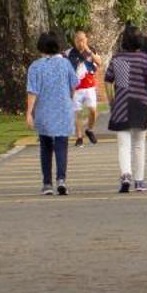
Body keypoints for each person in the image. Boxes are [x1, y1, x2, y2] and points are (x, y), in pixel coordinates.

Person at [104, 25, 147, 192]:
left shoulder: (116, 59)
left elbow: (108, 81)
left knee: (123, 144)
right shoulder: (145, 59)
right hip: (140, 103)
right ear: (140, 41)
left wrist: (112, 100)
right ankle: (139, 181)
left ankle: (126, 174)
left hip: (121, 104)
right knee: (139, 143)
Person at [24, 31, 77, 195]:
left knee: (45, 146)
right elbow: (74, 85)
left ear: (41, 46)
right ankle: (61, 179)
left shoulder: (35, 66)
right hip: (63, 109)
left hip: (44, 110)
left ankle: (47, 183)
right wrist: (68, 99)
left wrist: (29, 112)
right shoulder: (66, 64)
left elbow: (32, 91)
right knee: (62, 145)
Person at [68, 29, 100, 146]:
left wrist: (89, 52)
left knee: (93, 110)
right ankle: (79, 137)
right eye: (78, 41)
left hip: (90, 86)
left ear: (86, 39)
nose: (80, 43)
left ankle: (89, 130)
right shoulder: (70, 53)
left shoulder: (91, 51)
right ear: (74, 42)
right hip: (76, 88)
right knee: (77, 113)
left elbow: (99, 63)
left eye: (82, 40)